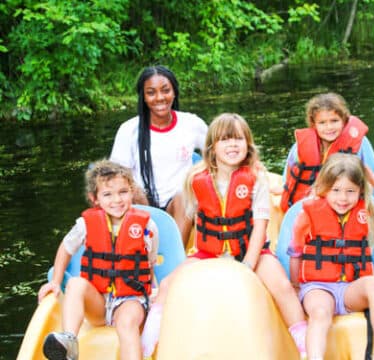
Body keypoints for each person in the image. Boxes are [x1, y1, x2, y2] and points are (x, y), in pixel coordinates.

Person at [141, 113, 307, 358]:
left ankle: (304, 346)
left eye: (238, 139)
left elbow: (260, 227)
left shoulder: (256, 178)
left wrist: (248, 265)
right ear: (212, 147)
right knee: (166, 286)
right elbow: (191, 219)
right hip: (209, 252)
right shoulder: (196, 179)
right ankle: (146, 347)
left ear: (248, 144)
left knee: (282, 286)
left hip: (251, 250)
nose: (232, 145)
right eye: (225, 140)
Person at [38, 160, 159, 360]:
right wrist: (55, 282)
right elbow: (65, 249)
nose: (117, 200)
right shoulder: (85, 224)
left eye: (123, 192)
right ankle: (69, 340)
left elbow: (149, 263)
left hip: (131, 300)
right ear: (95, 198)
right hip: (99, 304)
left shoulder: (147, 227)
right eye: (107, 194)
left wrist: (152, 293)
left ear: (132, 191)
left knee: (126, 324)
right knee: (76, 283)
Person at [288, 153, 374, 360]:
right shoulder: (307, 215)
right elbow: (295, 253)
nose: (343, 198)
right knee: (319, 314)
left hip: (350, 290)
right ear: (324, 188)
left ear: (360, 191)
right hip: (318, 288)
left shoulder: (366, 212)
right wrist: (296, 286)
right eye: (336, 190)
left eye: (350, 191)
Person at [110, 65, 208, 247]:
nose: (160, 98)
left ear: (174, 92)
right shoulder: (129, 130)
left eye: (165, 91)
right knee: (133, 190)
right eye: (151, 93)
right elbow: (117, 175)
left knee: (185, 195)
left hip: (179, 204)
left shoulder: (191, 123)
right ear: (143, 97)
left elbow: (217, 153)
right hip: (142, 201)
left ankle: (174, 258)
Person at [278, 92, 374, 212]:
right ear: (314, 124)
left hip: (342, 201)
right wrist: (285, 189)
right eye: (322, 123)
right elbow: (292, 172)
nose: (329, 127)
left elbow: (362, 167)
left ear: (344, 121)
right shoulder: (301, 147)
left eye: (334, 121)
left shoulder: (347, 145)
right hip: (311, 202)